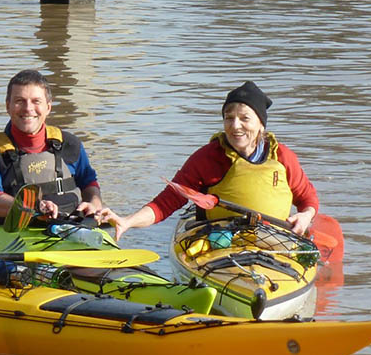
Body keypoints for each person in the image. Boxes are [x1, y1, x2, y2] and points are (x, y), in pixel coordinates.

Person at [100, 80, 319, 240]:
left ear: (261, 124)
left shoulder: (282, 156)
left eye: (245, 118)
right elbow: (166, 202)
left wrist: (306, 216)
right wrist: (127, 221)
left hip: (273, 239)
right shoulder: (207, 158)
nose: (235, 126)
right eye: (229, 118)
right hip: (220, 240)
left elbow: (307, 198)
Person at [0, 69, 107, 220]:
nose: (28, 108)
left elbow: (89, 183)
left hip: (69, 227)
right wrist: (32, 208)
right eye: (19, 101)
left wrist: (94, 204)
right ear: (8, 106)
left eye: (36, 101)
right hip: (14, 232)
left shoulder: (70, 144)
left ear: (48, 107)